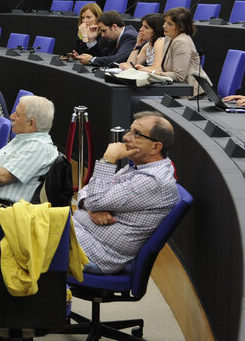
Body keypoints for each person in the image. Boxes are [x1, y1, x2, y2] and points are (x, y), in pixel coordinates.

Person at [73, 112, 180, 274]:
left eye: (136, 134)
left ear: (155, 147)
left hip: (94, 253)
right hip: (80, 234)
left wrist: (107, 160)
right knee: (26, 222)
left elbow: (94, 198)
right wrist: (88, 207)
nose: (126, 137)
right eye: (129, 131)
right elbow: (87, 191)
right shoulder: (139, 166)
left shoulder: (151, 180)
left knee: (25, 238)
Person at [135, 7, 210, 96]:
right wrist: (145, 70)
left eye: (170, 24)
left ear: (181, 27)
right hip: (178, 90)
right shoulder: (169, 38)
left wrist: (153, 73)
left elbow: (179, 76)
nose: (164, 26)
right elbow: (165, 68)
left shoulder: (181, 42)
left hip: (194, 93)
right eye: (165, 22)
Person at [73, 10, 137, 67]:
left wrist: (92, 60)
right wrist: (91, 40)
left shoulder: (129, 36)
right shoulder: (114, 37)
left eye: (104, 31)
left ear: (114, 26)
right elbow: (102, 56)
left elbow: (118, 59)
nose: (102, 35)